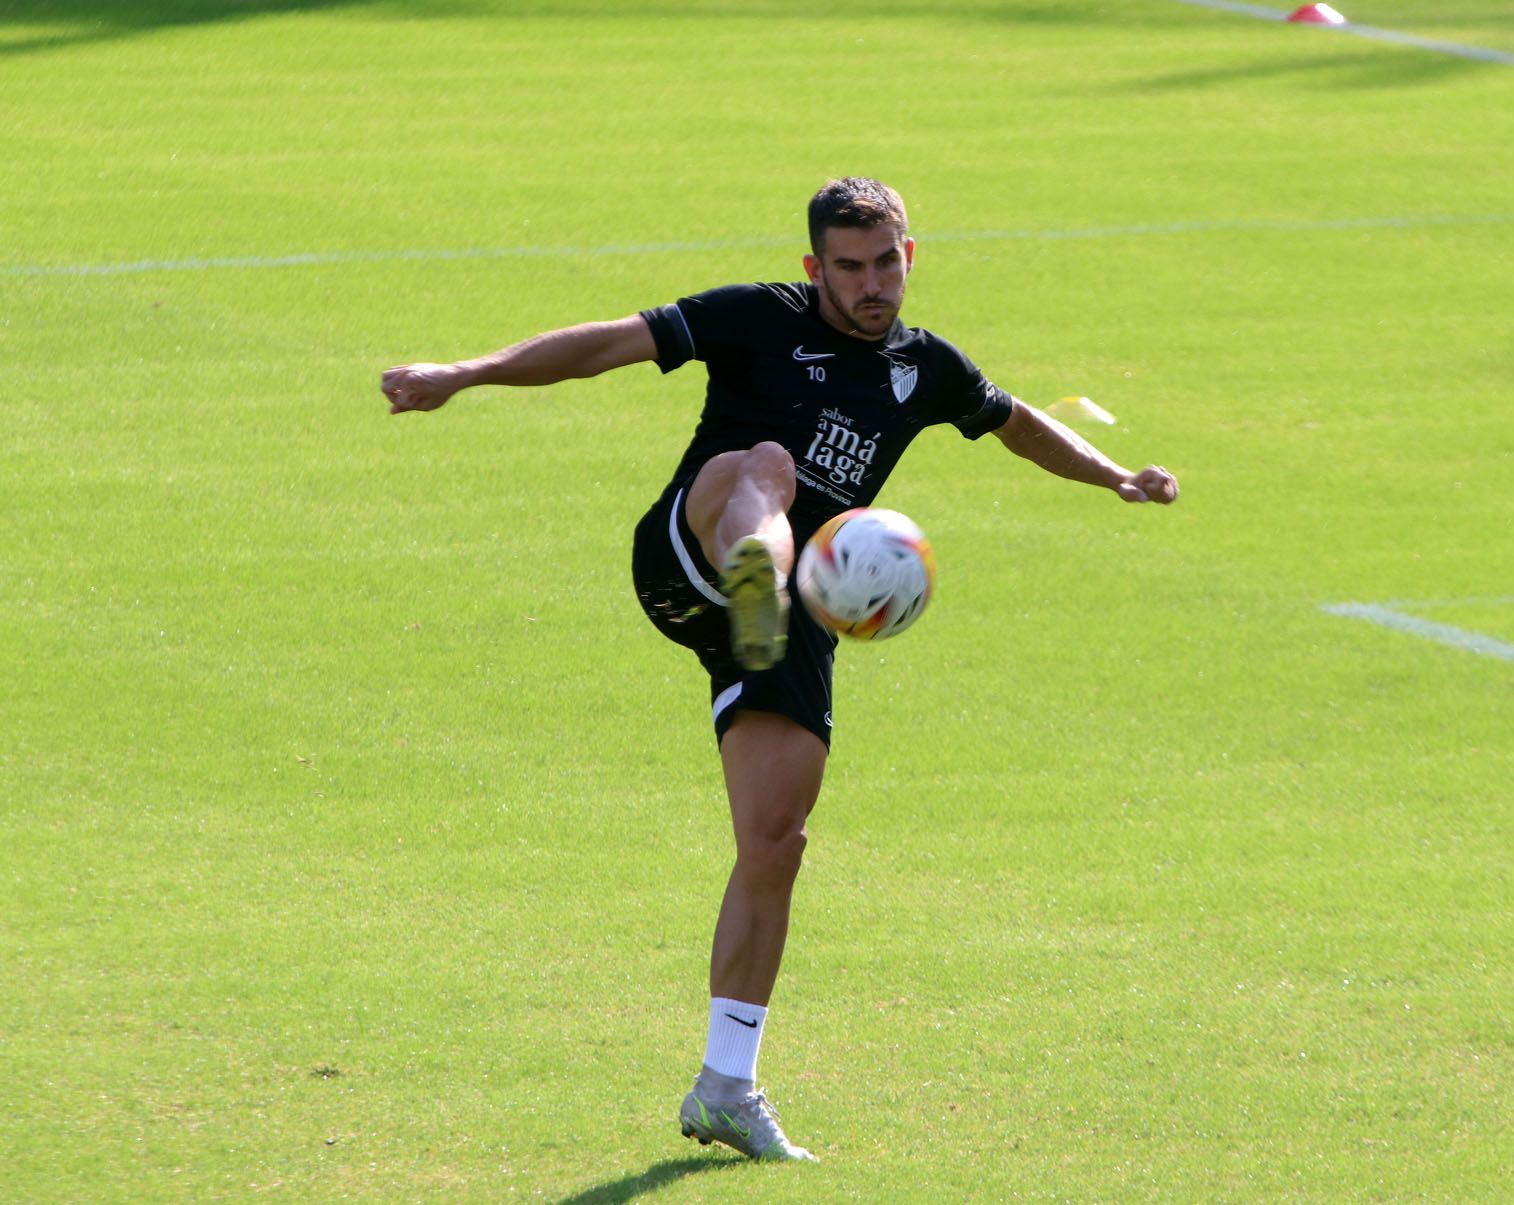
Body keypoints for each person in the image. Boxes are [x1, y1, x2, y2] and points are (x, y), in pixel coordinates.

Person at [380, 178, 1178, 1163]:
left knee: (775, 841)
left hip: (795, 617)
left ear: (908, 254)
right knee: (762, 463)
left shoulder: (925, 367)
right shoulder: (756, 317)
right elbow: (605, 345)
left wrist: (1115, 476)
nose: (870, 283)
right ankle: (760, 564)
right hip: (694, 552)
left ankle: (726, 1084)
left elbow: (1010, 420)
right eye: (848, 267)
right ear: (815, 268)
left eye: (885, 261)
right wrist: (464, 372)